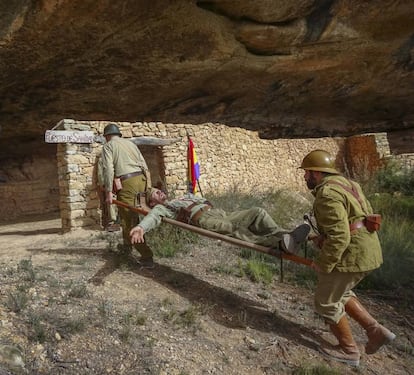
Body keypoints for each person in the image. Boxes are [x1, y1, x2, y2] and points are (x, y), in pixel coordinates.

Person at [299, 149, 396, 366]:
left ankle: (349, 350)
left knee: (326, 301)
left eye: (306, 173)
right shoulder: (349, 184)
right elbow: (359, 218)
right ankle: (376, 331)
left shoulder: (327, 194)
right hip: (367, 249)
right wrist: (323, 237)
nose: (305, 177)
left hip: (351, 254)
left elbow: (341, 235)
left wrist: (323, 263)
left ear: (316, 173)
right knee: (341, 292)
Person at [129, 188, 310, 254]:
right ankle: (279, 244)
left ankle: (286, 237)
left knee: (258, 212)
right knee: (236, 230)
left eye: (160, 190)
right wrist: (140, 228)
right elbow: (152, 218)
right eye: (155, 194)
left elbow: (202, 199)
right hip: (204, 220)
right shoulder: (163, 209)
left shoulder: (181, 198)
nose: (160, 193)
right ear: (152, 202)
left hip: (218, 212)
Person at [101, 123, 154, 268]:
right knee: (135, 214)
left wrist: (108, 192)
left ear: (107, 136)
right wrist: (148, 186)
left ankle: (146, 255)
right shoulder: (131, 144)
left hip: (128, 182)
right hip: (141, 180)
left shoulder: (108, 146)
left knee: (127, 218)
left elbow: (108, 169)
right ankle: (127, 248)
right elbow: (144, 164)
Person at [96, 154, 120, 232]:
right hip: (119, 181)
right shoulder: (116, 156)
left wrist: (102, 183)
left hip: (110, 183)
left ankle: (113, 222)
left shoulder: (102, 159)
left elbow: (100, 173)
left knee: (111, 202)